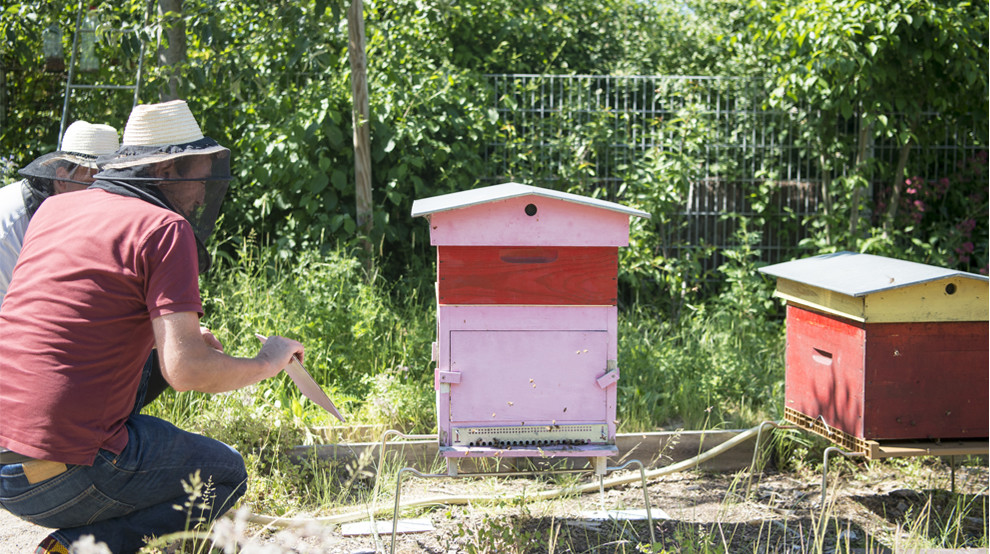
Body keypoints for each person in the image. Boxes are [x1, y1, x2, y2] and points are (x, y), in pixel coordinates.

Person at [0, 99, 304, 554]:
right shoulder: (164, 227)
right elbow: (188, 372)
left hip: (5, 469)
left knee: (152, 376)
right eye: (198, 178)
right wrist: (267, 361)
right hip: (66, 473)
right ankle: (76, 547)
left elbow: (74, 326)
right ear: (164, 172)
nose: (203, 195)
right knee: (225, 474)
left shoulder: (53, 210)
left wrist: (169, 347)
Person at [0, 120, 119, 306]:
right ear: (62, 179)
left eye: (111, 183)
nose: (105, 194)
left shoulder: (65, 203)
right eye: (94, 182)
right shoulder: (12, 224)